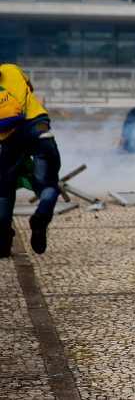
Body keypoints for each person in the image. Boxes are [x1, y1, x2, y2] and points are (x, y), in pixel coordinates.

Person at [0, 63, 61, 258]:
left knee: (4, 192)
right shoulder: (11, 69)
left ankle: (2, 244)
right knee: (49, 184)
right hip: (38, 128)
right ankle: (42, 214)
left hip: (10, 140)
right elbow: (31, 90)